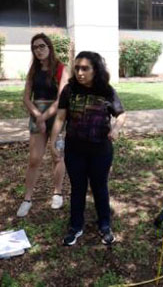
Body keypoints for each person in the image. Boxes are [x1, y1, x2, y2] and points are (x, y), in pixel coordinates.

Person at [50, 51, 126, 246]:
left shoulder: (106, 91)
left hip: (101, 149)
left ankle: (105, 225)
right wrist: (53, 141)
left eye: (85, 68)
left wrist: (116, 129)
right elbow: (60, 117)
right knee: (77, 188)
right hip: (75, 149)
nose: (80, 72)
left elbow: (121, 115)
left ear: (96, 70)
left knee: (100, 187)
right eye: (77, 68)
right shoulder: (69, 90)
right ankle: (75, 226)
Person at [16, 33, 70, 217]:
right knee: (34, 159)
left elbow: (62, 98)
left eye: (41, 46)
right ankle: (27, 199)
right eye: (35, 47)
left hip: (57, 116)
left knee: (57, 155)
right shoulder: (33, 70)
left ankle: (57, 193)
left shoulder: (62, 68)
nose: (38, 50)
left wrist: (44, 116)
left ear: (49, 47)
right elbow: (25, 97)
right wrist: (38, 116)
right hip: (37, 113)